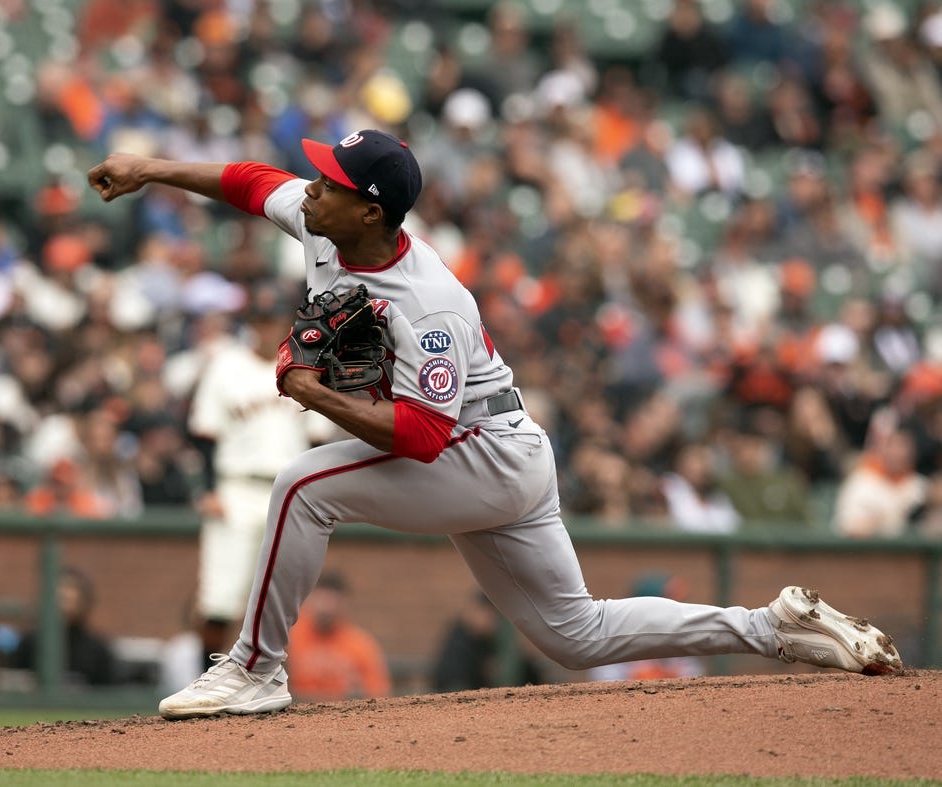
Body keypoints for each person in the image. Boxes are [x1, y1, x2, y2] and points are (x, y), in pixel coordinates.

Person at [87, 128, 903, 720]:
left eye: (332, 181)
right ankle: (770, 626)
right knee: (575, 633)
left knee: (303, 484)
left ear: (373, 213)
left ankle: (255, 669)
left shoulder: (430, 300)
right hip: (501, 448)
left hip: (481, 447)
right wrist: (150, 168)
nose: (313, 187)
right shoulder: (322, 218)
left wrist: (312, 393)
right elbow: (249, 180)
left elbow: (420, 438)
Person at [185, 279, 333, 667]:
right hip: (235, 489)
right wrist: (207, 489)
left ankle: (264, 679)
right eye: (260, 319)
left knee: (278, 598)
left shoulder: (304, 363)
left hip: (287, 492)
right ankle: (208, 678)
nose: (266, 327)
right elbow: (203, 434)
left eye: (273, 319)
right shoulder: (225, 364)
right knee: (218, 598)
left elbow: (318, 439)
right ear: (249, 322)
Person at [285, 572, 391, 702]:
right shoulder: (289, 637)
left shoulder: (361, 644)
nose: (325, 608)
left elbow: (377, 693)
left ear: (344, 604)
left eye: (332, 602)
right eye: (320, 600)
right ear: (308, 600)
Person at [11, 566, 116, 686]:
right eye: (60, 588)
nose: (64, 594)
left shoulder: (97, 648)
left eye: (71, 588)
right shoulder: (30, 642)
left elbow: (108, 689)